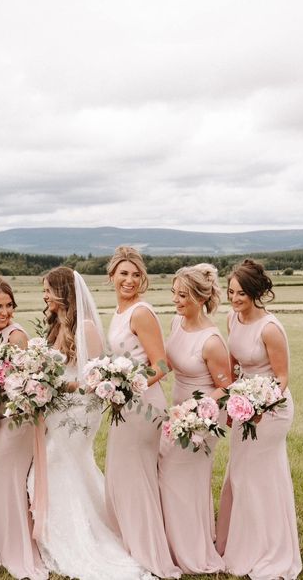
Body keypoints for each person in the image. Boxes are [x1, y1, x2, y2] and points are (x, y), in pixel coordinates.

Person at [28, 266, 153, 580]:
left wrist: (54, 386)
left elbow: (93, 381)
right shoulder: (56, 324)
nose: (44, 296)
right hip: (56, 407)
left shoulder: (86, 327)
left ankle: (79, 536)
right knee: (62, 466)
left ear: (62, 292)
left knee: (60, 461)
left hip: (79, 412)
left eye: (48, 290)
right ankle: (73, 525)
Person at [216, 259, 302, 580]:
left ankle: (270, 549)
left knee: (260, 475)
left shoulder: (270, 328)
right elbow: (236, 366)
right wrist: (232, 404)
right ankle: (237, 541)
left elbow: (282, 378)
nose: (234, 298)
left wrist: (261, 404)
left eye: (240, 293)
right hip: (243, 406)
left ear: (254, 292)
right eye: (230, 292)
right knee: (239, 471)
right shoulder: (232, 319)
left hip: (272, 408)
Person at [104, 246, 181, 579]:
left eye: (136, 274)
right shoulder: (119, 312)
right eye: (124, 273)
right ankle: (131, 543)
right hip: (126, 404)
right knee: (122, 476)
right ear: (112, 276)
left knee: (135, 478)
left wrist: (127, 386)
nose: (130, 280)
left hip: (143, 405)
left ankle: (149, 553)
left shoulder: (141, 313)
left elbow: (162, 364)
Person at [0, 271, 47, 579]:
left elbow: (26, 383)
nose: (5, 313)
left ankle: (14, 550)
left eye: (9, 306)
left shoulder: (16, 336)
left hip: (20, 418)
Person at [158, 263, 230, 574]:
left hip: (200, 418)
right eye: (174, 293)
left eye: (183, 295)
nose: (176, 300)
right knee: (167, 476)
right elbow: (167, 364)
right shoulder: (176, 323)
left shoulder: (212, 341)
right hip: (176, 412)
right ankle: (172, 545)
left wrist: (194, 412)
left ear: (200, 298)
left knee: (181, 479)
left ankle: (192, 550)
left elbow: (226, 386)